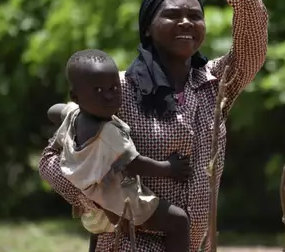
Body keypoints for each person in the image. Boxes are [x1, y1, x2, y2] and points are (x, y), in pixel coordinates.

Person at [38, 0, 269, 252]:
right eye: (173, 15)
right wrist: (98, 202)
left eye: (195, 15)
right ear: (148, 28)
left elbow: (253, 43)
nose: (186, 22)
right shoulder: (117, 91)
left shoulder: (216, 85)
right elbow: (52, 159)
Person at [47, 49, 192, 252]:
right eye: (98, 91)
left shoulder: (74, 115)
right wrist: (170, 167)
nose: (108, 96)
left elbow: (54, 110)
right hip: (120, 201)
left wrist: (68, 111)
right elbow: (135, 164)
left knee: (99, 235)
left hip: (93, 197)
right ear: (76, 96)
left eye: (114, 88)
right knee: (179, 221)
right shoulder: (109, 134)